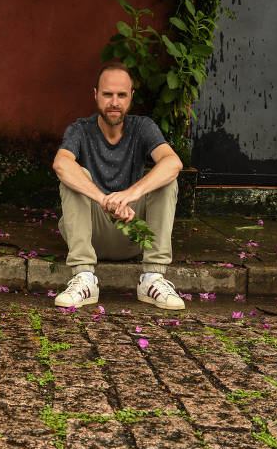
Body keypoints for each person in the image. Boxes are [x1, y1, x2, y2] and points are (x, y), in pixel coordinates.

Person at [52, 61, 185, 310]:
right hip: (91, 233)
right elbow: (60, 164)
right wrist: (105, 200)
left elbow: (173, 162)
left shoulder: (143, 127)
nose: (114, 102)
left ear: (131, 96)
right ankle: (84, 277)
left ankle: (153, 277)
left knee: (166, 177)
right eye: (108, 94)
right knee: (73, 172)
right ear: (95, 95)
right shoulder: (80, 129)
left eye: (121, 95)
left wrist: (129, 194)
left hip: (133, 232)